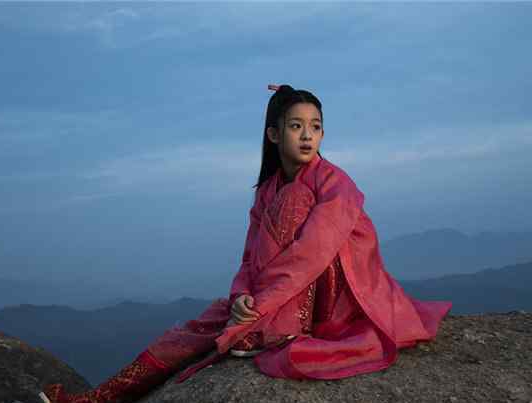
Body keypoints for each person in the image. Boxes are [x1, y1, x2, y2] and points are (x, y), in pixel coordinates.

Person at [39, 84, 452, 403]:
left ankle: (281, 328)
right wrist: (242, 297)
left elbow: (313, 254)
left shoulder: (334, 184)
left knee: (297, 202)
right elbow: (250, 257)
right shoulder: (267, 191)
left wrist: (263, 307)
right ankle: (96, 398)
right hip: (272, 296)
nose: (307, 136)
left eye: (315, 126)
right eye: (296, 126)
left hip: (333, 298)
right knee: (192, 332)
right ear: (273, 134)